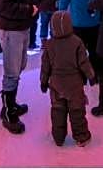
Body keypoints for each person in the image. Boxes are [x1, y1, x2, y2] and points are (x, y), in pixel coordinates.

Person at [0, 0, 39, 134]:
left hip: (21, 27)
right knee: (12, 70)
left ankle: (11, 103)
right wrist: (28, 9)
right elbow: (4, 6)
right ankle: (7, 111)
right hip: (11, 29)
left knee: (19, 65)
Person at [40, 11, 96, 147]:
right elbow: (84, 62)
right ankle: (81, 136)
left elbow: (45, 66)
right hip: (74, 84)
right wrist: (91, 76)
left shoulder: (50, 44)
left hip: (56, 85)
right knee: (77, 111)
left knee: (58, 111)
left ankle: (58, 137)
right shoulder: (76, 42)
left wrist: (43, 81)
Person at [58, 0, 103, 108]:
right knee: (94, 49)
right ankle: (95, 74)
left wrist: (61, 13)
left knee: (78, 51)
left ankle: (81, 77)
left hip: (77, 20)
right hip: (94, 20)